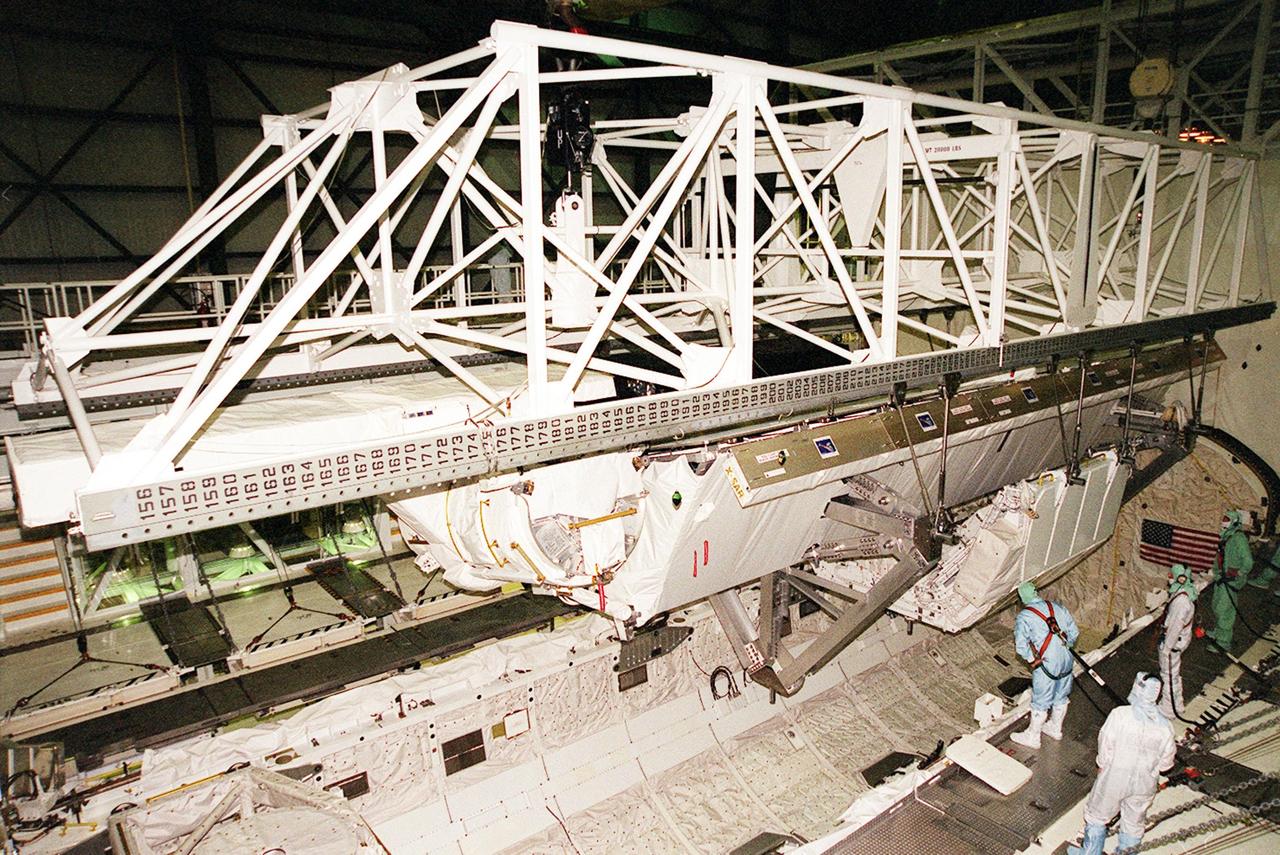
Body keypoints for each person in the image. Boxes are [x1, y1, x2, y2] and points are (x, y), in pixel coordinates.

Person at [1068, 673, 1177, 855]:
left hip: (1115, 778)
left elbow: (1105, 744)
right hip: (1144, 784)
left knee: (1097, 816)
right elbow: (1166, 764)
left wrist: (1101, 764)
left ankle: (1090, 852)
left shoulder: (1120, 715)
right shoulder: (1165, 726)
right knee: (1134, 823)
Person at [1011, 580, 1080, 749]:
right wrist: (1067, 645)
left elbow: (1021, 646)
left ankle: (1033, 737)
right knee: (1061, 696)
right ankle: (1055, 728)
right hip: (1067, 659)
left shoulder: (1025, 616)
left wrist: (1031, 660)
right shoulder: (1056, 606)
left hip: (1047, 664)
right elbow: (1074, 632)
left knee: (1040, 701)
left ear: (1022, 599)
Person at [1207, 510, 1252, 654]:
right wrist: (1216, 572)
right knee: (1217, 605)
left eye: (1227, 519)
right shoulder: (1226, 535)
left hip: (1231, 580)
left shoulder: (1238, 538)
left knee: (1224, 610)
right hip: (1222, 577)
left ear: (1234, 522)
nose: (1223, 521)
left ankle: (1223, 642)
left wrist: (1239, 573)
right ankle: (1219, 631)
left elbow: (1248, 561)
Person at [1157, 565, 1196, 720]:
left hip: (1173, 643)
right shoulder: (1185, 594)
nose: (1169, 578)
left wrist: (1166, 649)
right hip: (1178, 641)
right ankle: (1177, 704)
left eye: (1171, 576)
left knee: (1168, 675)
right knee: (1173, 673)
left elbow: (1175, 627)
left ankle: (1168, 709)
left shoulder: (1181, 602)